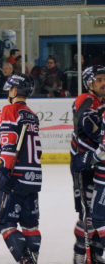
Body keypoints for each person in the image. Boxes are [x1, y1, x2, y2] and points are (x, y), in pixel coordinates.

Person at [0, 73, 42, 264]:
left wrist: (2, 171)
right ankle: (33, 258)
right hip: (34, 177)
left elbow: (8, 145)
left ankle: (25, 260)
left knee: (6, 223)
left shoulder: (8, 111)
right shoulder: (32, 115)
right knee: (30, 224)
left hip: (16, 176)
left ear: (14, 91)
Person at [70, 65, 105, 264]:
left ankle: (96, 253)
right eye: (99, 79)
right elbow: (89, 128)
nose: (103, 82)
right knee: (88, 214)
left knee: (99, 213)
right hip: (84, 164)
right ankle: (80, 254)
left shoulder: (101, 101)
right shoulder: (86, 100)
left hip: (98, 163)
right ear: (89, 83)